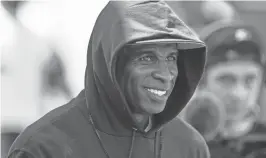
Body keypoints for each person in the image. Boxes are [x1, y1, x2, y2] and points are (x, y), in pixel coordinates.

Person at [8, 1, 210, 158]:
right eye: (147, 58)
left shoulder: (189, 146)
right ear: (109, 62)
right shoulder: (43, 147)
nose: (165, 74)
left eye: (171, 58)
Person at [182, 19, 266, 158]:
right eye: (225, 79)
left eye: (250, 80)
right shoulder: (176, 147)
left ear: (263, 82)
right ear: (201, 82)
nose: (238, 94)